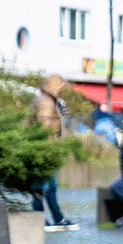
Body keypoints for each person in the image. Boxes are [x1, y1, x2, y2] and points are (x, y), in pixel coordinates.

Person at [31, 74, 76, 231]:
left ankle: (56, 218)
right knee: (42, 186)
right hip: (45, 150)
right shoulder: (46, 101)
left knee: (50, 186)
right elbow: (44, 127)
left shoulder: (47, 99)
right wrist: (49, 150)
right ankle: (41, 218)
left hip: (47, 149)